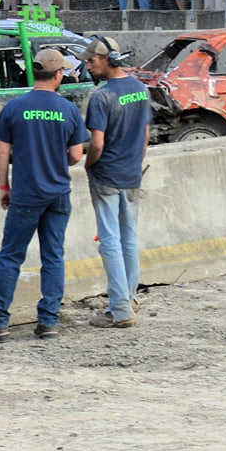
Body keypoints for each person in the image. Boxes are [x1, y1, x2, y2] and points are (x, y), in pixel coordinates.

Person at [0, 48, 87, 342]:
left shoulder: (14, 107)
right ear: (59, 74)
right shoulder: (68, 109)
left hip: (25, 194)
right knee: (53, 256)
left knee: (10, 257)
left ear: (33, 72)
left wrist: (4, 187)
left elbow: (2, 152)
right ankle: (48, 321)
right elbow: (76, 155)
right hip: (58, 193)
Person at [81, 38, 150, 330]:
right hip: (132, 173)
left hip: (106, 175)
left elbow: (97, 143)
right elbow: (145, 136)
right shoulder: (140, 89)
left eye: (91, 61)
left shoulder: (102, 96)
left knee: (109, 240)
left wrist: (89, 164)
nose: (88, 65)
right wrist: (134, 162)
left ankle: (120, 309)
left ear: (107, 59)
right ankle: (129, 298)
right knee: (128, 239)